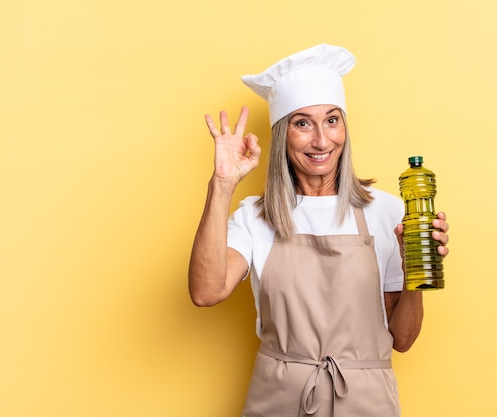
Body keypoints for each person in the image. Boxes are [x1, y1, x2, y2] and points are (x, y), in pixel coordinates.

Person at [188, 44, 449, 417]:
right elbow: (206, 291)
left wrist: (415, 271)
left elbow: (403, 339)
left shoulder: (386, 211)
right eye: (302, 123)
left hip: (366, 403)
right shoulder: (254, 217)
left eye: (331, 120)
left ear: (344, 127)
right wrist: (222, 185)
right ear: (282, 135)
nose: (322, 141)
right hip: (278, 401)